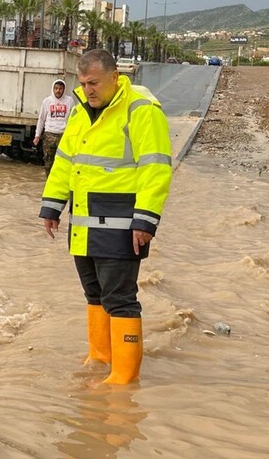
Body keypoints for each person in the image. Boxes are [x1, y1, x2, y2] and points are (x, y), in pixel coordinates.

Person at [39, 49, 172, 385]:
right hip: (84, 223)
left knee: (120, 299)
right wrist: (52, 207)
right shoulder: (80, 111)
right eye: (83, 84)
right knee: (94, 293)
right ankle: (100, 358)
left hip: (122, 225)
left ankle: (124, 377)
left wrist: (145, 220)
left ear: (115, 77)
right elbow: (65, 162)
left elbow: (156, 168)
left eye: (94, 83)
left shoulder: (141, 109)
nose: (88, 90)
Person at [33, 79, 75, 175]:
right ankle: (49, 180)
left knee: (64, 162)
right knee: (48, 162)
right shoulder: (47, 101)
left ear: (64, 89)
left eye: (60, 88)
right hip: (49, 135)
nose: (58, 91)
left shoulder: (69, 101)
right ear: (53, 89)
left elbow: (74, 119)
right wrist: (37, 135)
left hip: (64, 135)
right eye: (56, 88)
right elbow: (41, 119)